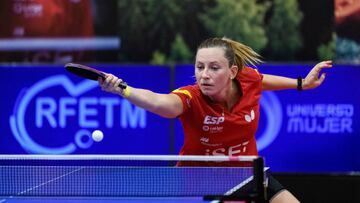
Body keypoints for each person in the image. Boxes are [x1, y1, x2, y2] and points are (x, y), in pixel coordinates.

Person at [98, 37, 332, 203]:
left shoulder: (247, 79)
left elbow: (261, 80)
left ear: (232, 72)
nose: (204, 75)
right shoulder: (191, 98)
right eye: (200, 67)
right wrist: (123, 89)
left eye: (213, 68)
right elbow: (160, 103)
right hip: (199, 181)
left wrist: (301, 83)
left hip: (246, 173)